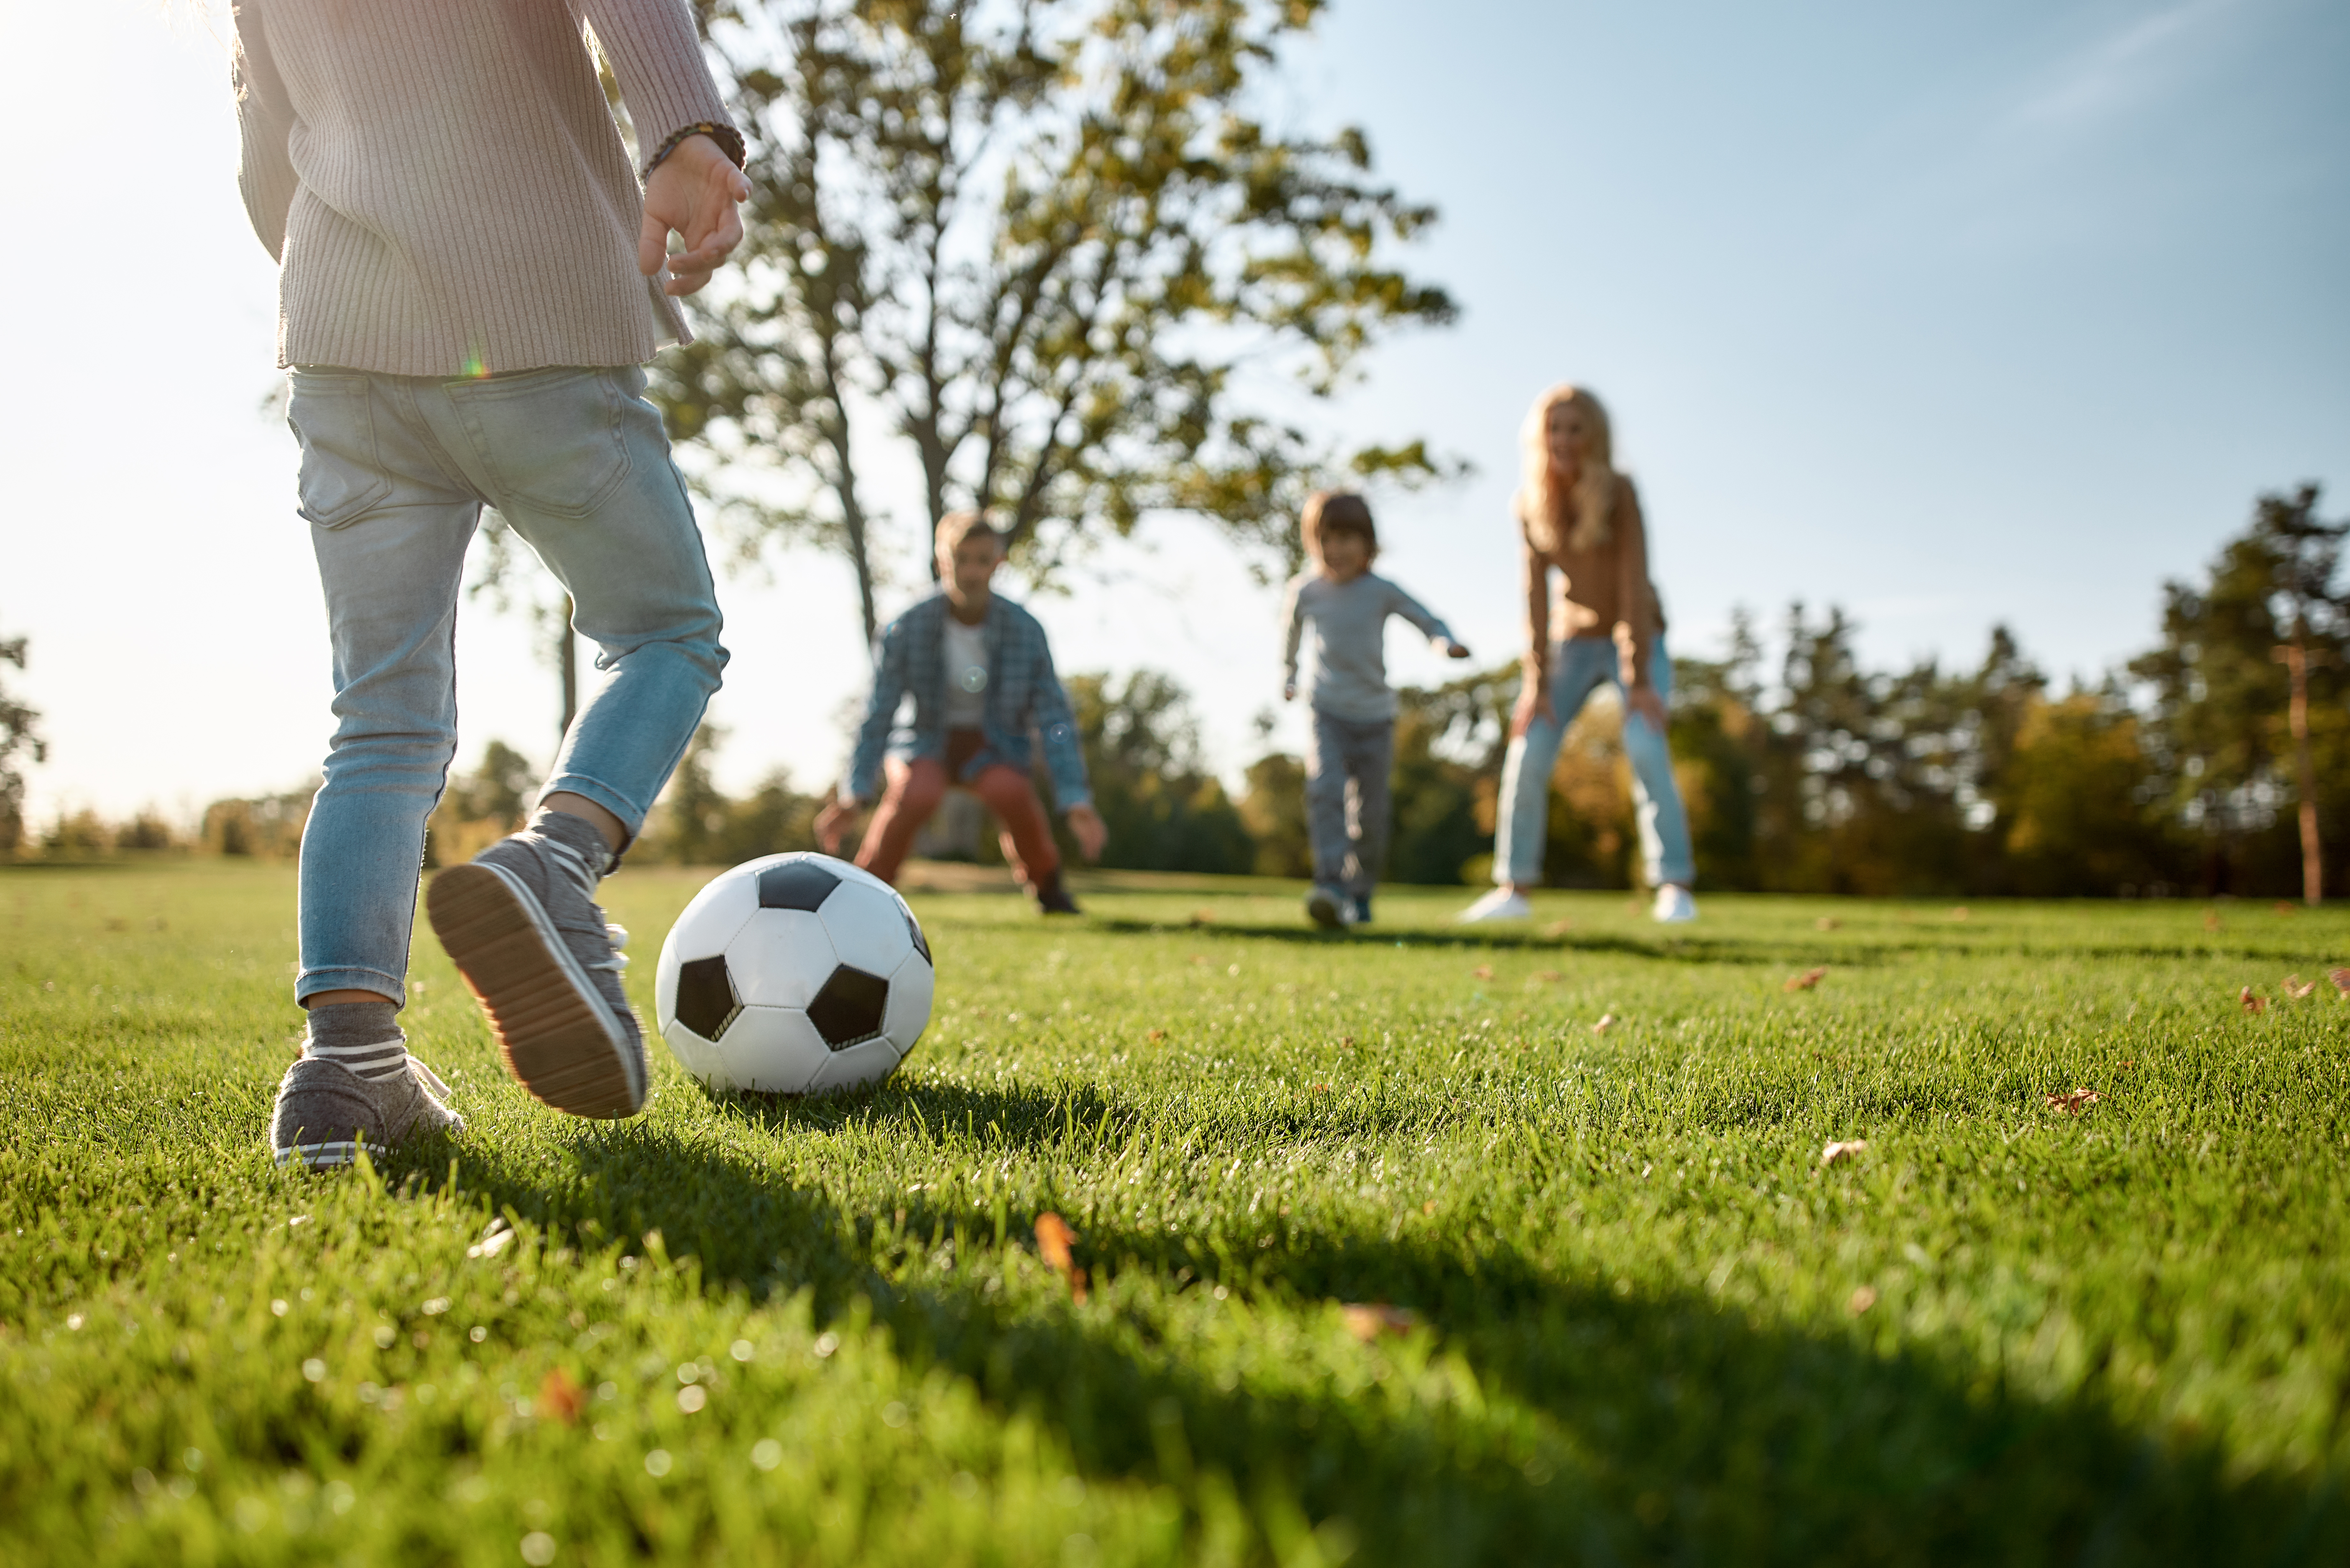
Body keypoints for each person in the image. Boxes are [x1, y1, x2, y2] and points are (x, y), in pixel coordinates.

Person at [235, 0, 754, 1168]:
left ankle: (344, 1073)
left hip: (343, 351)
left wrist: (364, 277)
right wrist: (685, 132)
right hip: (530, 311)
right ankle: (558, 858)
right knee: (669, 632)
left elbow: (267, 152)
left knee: (379, 727)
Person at [1458, 386, 1698, 924]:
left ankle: (1674, 884)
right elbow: (1534, 601)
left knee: (1644, 742)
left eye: (1575, 428)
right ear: (1540, 437)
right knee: (1530, 744)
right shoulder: (1529, 502)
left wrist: (1639, 680)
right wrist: (1536, 685)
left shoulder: (1620, 492)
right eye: (1555, 428)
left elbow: (1634, 583)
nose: (1564, 439)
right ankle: (1514, 888)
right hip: (1573, 641)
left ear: (1595, 437)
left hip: (1636, 635)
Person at [816, 513, 1108, 911]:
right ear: (942, 561)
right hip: (925, 741)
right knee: (916, 793)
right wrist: (855, 794)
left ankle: (1049, 888)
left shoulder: (1026, 630)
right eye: (961, 558)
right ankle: (865, 893)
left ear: (998, 564)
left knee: (1011, 790)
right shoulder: (906, 627)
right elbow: (878, 713)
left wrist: (1077, 801)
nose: (970, 571)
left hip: (993, 744)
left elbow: (1055, 719)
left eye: (982, 560)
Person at [1280, 491, 1471, 929]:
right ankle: (1329, 886)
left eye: (1349, 538)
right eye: (1328, 538)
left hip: (1374, 716)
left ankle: (1360, 892)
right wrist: (1288, 675)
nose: (1339, 549)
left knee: (1369, 814)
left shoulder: (1380, 591)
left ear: (1369, 543)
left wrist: (1443, 642)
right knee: (1324, 789)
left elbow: (1426, 619)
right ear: (1314, 543)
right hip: (1325, 708)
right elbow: (1289, 636)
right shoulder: (1305, 591)